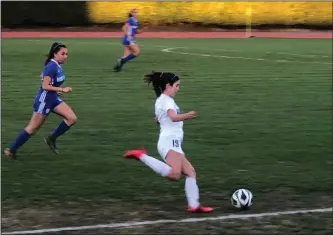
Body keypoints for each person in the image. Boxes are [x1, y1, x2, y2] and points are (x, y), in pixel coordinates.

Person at [123, 71, 213, 213]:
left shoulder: (161, 100)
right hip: (170, 142)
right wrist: (187, 116)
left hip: (171, 141)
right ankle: (141, 156)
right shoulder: (167, 101)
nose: (178, 88)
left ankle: (194, 205)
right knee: (174, 174)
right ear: (167, 85)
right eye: (176, 85)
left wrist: (161, 119)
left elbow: (161, 118)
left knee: (190, 172)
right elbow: (173, 117)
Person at [3, 42, 77, 160]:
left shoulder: (56, 65)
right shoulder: (52, 66)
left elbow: (43, 76)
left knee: (72, 118)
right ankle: (11, 150)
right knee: (32, 128)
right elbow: (45, 86)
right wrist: (62, 89)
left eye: (66, 54)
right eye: (63, 53)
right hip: (44, 101)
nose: (65, 56)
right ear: (55, 54)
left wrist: (54, 90)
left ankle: (51, 138)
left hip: (53, 98)